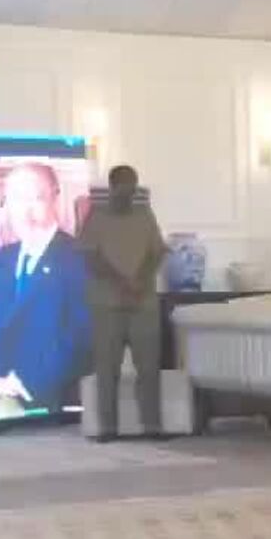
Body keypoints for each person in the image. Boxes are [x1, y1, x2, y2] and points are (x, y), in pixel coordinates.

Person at [0, 161, 93, 414]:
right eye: (17, 199)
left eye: (36, 198)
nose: (25, 210)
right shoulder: (0, 260)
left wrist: (13, 384)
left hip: (50, 405)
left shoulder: (80, 259)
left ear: (55, 198)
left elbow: (81, 340)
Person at [77, 165, 167, 440]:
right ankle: (108, 428)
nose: (129, 193)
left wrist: (140, 279)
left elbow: (157, 252)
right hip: (107, 305)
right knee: (107, 369)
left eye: (133, 187)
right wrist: (121, 281)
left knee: (149, 368)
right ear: (113, 187)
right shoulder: (97, 216)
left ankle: (152, 426)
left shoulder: (145, 214)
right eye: (124, 187)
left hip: (143, 304)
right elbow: (91, 257)